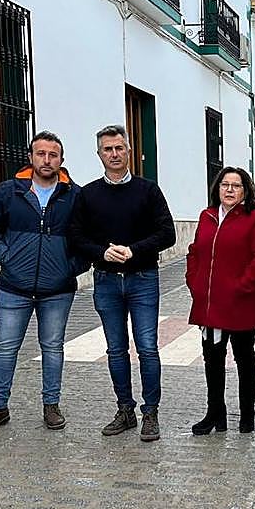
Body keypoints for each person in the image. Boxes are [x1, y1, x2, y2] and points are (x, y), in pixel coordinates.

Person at [70, 124, 175, 441]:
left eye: (119, 148)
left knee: (147, 348)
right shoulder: (87, 195)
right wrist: (102, 251)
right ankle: (125, 410)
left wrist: (134, 250)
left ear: (129, 151)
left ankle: (150, 413)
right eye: (107, 149)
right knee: (116, 350)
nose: (114, 154)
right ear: (99, 154)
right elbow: (75, 237)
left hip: (143, 279)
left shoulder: (148, 190)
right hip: (106, 281)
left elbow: (167, 233)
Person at [0, 131, 84, 435]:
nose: (46, 160)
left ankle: (51, 406)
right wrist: (5, 256)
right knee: (5, 349)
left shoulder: (74, 196)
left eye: (53, 155)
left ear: (61, 160)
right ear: (31, 157)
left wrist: (70, 268)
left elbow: (88, 239)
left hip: (57, 290)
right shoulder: (9, 191)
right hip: (13, 286)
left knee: (52, 348)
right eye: (41, 154)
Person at [185, 167, 255, 435]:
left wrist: (241, 285)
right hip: (210, 304)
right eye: (225, 185)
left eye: (236, 185)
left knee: (244, 357)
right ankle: (215, 415)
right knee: (212, 359)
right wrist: (194, 281)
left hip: (240, 301)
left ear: (245, 191)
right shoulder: (207, 216)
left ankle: (247, 415)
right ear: (217, 188)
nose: (230, 190)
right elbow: (195, 251)